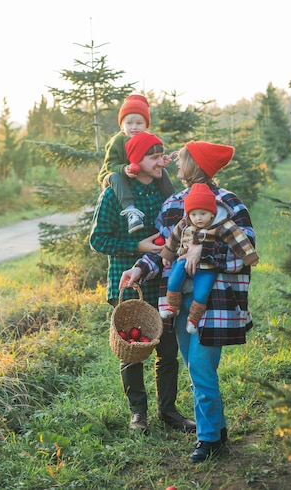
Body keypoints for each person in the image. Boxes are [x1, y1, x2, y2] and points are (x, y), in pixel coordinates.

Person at [119, 141, 257, 463]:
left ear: (197, 164)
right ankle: (218, 431)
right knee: (198, 369)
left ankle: (207, 439)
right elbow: (164, 253)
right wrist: (139, 268)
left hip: (217, 302)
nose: (175, 164)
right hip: (179, 303)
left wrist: (202, 249)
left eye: (181, 159)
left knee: (200, 367)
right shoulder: (172, 205)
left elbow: (245, 252)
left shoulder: (229, 203)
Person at [90, 131, 196, 436]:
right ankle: (138, 413)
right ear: (136, 160)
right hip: (127, 281)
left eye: (161, 154)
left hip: (161, 282)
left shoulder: (165, 191)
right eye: (153, 155)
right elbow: (98, 240)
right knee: (132, 349)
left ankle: (169, 411)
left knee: (168, 348)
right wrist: (138, 247)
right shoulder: (114, 193)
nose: (160, 160)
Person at [159, 182, 259, 335]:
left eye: (202, 214)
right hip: (184, 260)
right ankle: (173, 306)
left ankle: (193, 318)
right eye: (193, 214)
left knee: (202, 293)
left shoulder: (222, 225)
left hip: (207, 267)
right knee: (173, 280)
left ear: (212, 213)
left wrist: (249, 256)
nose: (198, 219)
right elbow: (174, 237)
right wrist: (167, 254)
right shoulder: (185, 223)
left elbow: (239, 240)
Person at [98, 93, 174, 233]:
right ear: (121, 125)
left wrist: (161, 161)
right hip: (113, 175)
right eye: (129, 123)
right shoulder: (117, 141)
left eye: (139, 123)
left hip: (136, 173)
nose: (134, 127)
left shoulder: (146, 139)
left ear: (146, 125)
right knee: (116, 176)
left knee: (163, 173)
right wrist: (124, 168)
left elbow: (151, 157)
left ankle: (173, 201)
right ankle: (131, 211)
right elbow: (110, 164)